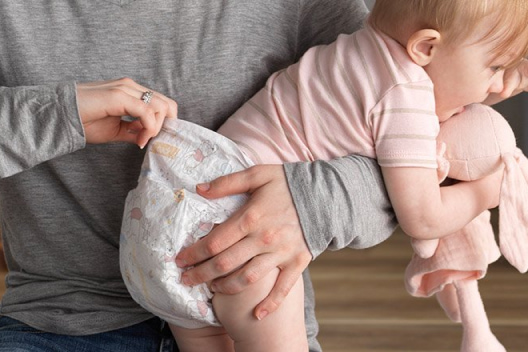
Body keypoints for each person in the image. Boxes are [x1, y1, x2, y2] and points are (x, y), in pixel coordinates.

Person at [120, 0, 528, 350]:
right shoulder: (406, 96)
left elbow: (440, 96)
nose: (494, 83)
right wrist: (486, 190)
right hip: (237, 234)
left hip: (167, 208)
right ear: (425, 47)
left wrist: (491, 81)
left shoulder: (358, 47)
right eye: (493, 66)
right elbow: (423, 220)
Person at [0, 1, 399, 352]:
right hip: (60, 325)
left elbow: (421, 153)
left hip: (253, 317)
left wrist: (309, 204)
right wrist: (54, 114)